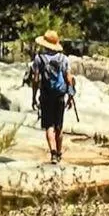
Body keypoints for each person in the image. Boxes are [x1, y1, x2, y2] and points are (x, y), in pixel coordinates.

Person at [29, 29, 76, 164]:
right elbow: (69, 78)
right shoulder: (64, 59)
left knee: (49, 125)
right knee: (59, 126)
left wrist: (33, 96)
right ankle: (59, 153)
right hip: (60, 94)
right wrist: (71, 95)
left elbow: (36, 79)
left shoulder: (39, 59)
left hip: (46, 95)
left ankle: (53, 154)